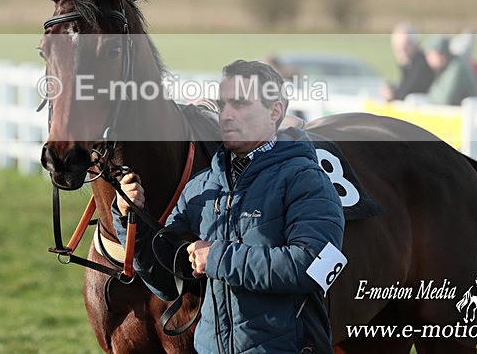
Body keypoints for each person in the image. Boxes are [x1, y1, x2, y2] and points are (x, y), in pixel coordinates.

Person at [113, 59, 345, 353]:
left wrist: (218, 259)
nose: (226, 115)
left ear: (275, 111)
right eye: (222, 105)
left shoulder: (306, 180)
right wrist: (129, 217)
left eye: (240, 103)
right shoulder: (201, 187)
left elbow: (314, 266)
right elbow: (166, 279)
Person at [381, 22, 434, 102]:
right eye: (398, 47)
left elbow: (406, 92)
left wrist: (392, 94)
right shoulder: (409, 65)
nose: (402, 51)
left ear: (416, 44)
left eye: (406, 46)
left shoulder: (422, 65)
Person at [423, 34, 477, 106]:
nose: (428, 59)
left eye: (429, 54)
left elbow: (444, 100)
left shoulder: (457, 68)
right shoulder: (447, 68)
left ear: (440, 54)